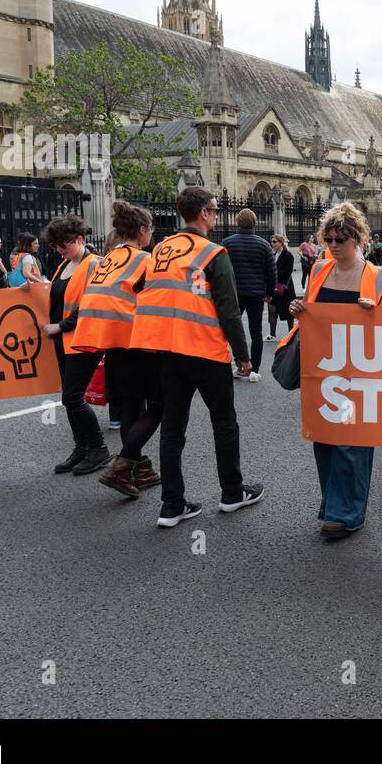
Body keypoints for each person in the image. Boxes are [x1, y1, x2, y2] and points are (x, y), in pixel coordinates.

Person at [130, 187, 264, 528]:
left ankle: (171, 505)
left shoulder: (160, 250)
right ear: (204, 213)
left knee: (173, 427)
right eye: (216, 210)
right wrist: (244, 356)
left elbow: (142, 289)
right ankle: (232, 493)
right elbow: (229, 310)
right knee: (224, 423)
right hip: (206, 350)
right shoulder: (212, 252)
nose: (217, 216)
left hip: (168, 351)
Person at [285, 203, 382, 540]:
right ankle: (334, 505)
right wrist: (297, 308)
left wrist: (374, 313)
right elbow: (309, 311)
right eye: (328, 238)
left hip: (358, 372)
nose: (333, 245)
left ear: (357, 239)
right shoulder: (319, 270)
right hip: (321, 369)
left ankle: (346, 513)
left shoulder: (377, 276)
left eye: (340, 239)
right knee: (326, 440)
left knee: (351, 443)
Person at [70, 201, 165, 497]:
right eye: (150, 229)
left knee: (130, 406)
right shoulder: (145, 260)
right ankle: (122, 465)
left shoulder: (109, 258)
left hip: (109, 341)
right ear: (141, 230)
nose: (152, 234)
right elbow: (157, 302)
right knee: (161, 405)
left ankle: (138, 470)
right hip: (137, 340)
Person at [40, 215, 109, 477]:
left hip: (83, 339)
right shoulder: (64, 265)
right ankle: (82, 448)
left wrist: (62, 326)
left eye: (64, 245)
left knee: (72, 396)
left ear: (80, 239)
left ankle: (99, 449)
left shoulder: (95, 264)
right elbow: (56, 295)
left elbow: (93, 303)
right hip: (63, 342)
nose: (59, 250)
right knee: (69, 399)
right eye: (55, 245)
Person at [222, 208, 275, 381]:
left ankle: (240, 365)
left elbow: (221, 271)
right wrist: (269, 293)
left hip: (234, 294)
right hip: (256, 293)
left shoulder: (227, 243)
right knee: (256, 330)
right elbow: (271, 272)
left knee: (234, 331)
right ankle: (255, 370)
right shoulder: (264, 244)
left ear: (237, 222)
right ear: (254, 223)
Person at [267, 234, 296, 341]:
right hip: (273, 287)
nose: (272, 243)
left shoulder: (288, 255)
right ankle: (272, 334)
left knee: (288, 312)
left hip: (285, 288)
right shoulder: (272, 254)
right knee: (272, 309)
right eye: (272, 241)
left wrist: (273, 273)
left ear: (281, 243)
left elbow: (287, 272)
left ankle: (291, 333)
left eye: (275, 242)